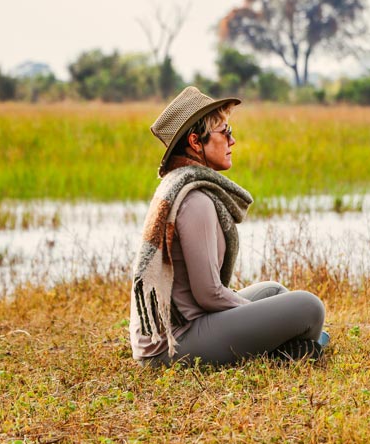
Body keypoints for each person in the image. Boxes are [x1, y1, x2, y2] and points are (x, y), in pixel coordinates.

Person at [129, 86, 328, 366]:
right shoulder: (195, 200)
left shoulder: (180, 185)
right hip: (175, 344)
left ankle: (286, 348)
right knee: (309, 307)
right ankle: (289, 348)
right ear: (196, 141)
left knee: (273, 291)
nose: (232, 141)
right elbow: (208, 294)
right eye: (226, 131)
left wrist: (262, 314)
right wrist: (258, 314)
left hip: (181, 328)